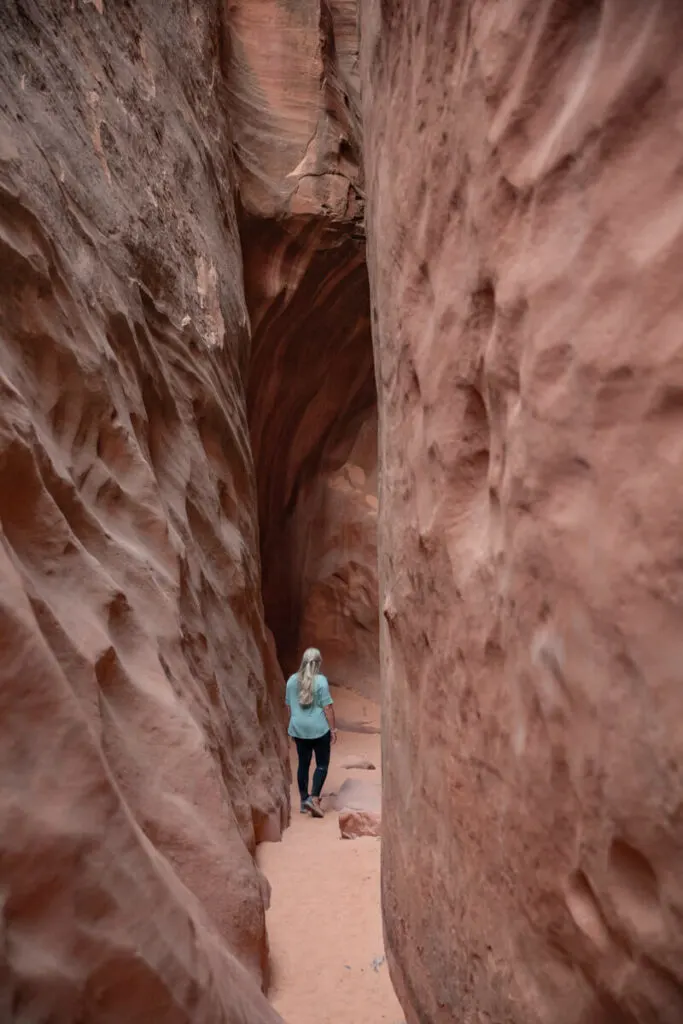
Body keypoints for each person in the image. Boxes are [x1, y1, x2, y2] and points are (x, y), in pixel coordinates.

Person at [286, 647, 336, 818]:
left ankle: (303, 801)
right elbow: (327, 707)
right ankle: (314, 798)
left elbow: (289, 706)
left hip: (299, 729)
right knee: (322, 764)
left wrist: (294, 725)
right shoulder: (321, 681)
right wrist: (333, 729)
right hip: (319, 729)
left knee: (303, 764)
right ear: (318, 663)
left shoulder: (292, 680)